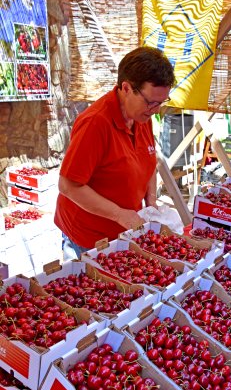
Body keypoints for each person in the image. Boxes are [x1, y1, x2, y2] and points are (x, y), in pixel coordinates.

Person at [55, 46, 175, 259]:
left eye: (161, 102)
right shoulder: (95, 123)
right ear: (127, 88)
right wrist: (120, 214)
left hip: (124, 233)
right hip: (88, 239)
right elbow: (68, 185)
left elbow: (148, 161)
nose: (156, 109)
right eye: (151, 102)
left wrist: (152, 203)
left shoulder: (141, 117)